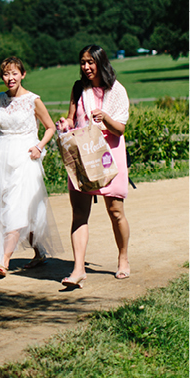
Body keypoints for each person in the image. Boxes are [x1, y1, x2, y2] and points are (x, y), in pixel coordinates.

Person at [56, 45, 131, 288]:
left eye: (91, 62)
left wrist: (105, 118)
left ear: (101, 62)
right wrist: (65, 124)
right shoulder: (79, 88)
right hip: (83, 154)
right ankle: (78, 269)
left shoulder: (117, 91)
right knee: (79, 214)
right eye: (83, 62)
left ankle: (123, 258)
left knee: (115, 211)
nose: (86, 67)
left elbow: (120, 129)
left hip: (110, 155)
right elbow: (72, 118)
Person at [0, 56, 62, 277]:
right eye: (6, 74)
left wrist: (39, 146)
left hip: (26, 157)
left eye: (14, 73)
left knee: (16, 206)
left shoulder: (33, 100)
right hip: (3, 158)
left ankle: (4, 261)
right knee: (16, 206)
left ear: (23, 74)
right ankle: (39, 252)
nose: (10, 78)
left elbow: (50, 127)